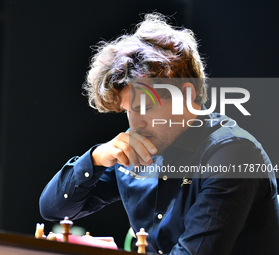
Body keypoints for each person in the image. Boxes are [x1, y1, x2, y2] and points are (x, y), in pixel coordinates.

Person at [39, 13, 279, 254]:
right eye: (127, 110)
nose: (135, 124)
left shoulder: (233, 154)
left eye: (144, 107)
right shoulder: (138, 146)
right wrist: (96, 159)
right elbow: (54, 210)